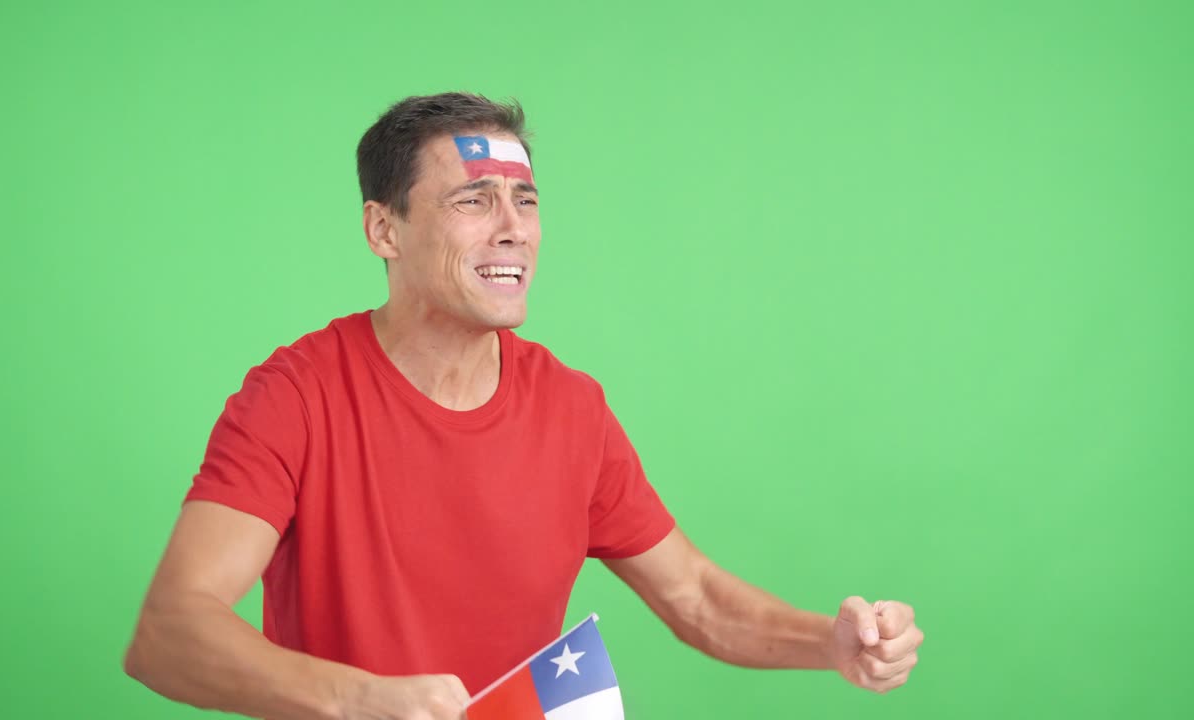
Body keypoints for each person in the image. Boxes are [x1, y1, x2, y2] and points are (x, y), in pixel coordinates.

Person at [123, 92, 924, 720]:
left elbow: (698, 600)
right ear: (384, 230)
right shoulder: (295, 396)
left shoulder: (572, 408)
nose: (515, 230)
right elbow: (168, 634)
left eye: (527, 201)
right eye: (474, 201)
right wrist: (361, 699)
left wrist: (832, 643)